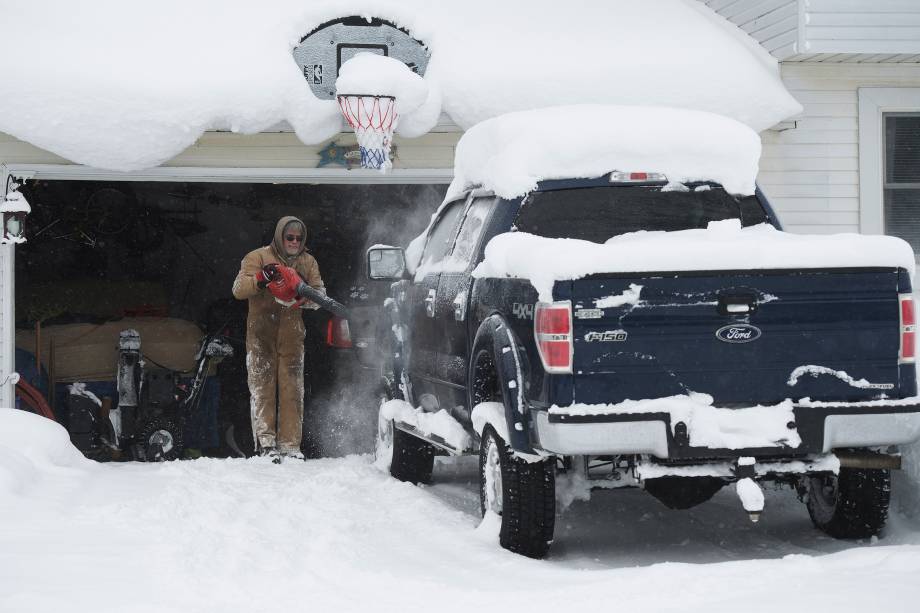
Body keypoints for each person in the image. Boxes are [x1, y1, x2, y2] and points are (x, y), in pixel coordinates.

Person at [232, 216, 324, 462]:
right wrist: (261, 279)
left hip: (292, 339)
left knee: (292, 390)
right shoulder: (257, 257)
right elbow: (238, 290)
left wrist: (305, 296)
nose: (294, 242)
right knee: (262, 389)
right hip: (261, 335)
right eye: (289, 237)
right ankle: (266, 444)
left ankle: (291, 446)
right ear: (279, 236)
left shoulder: (308, 261)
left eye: (298, 238)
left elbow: (321, 295)